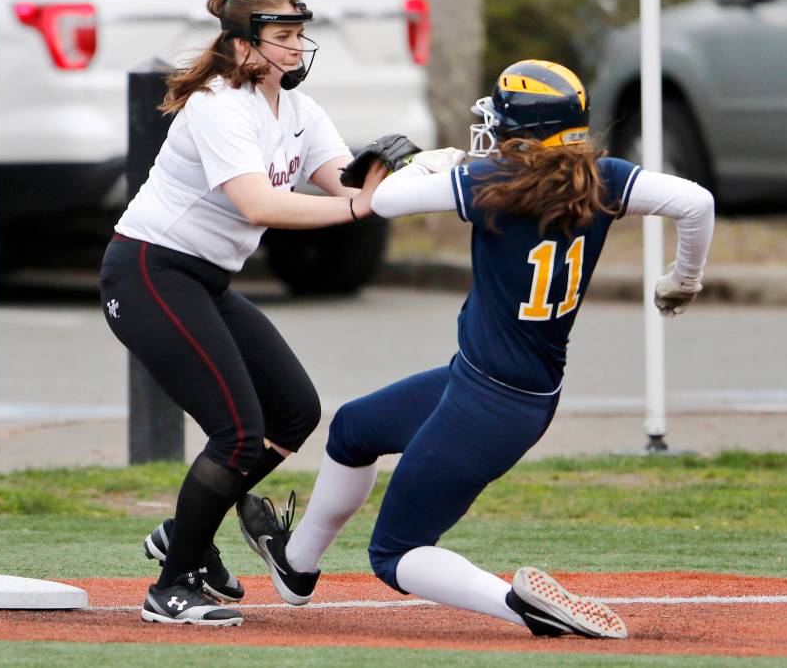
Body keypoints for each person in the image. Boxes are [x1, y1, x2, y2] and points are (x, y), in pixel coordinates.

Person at [237, 59, 715, 639]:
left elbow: (384, 204)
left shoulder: (492, 183)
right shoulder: (606, 178)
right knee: (354, 429)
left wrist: (418, 167)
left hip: (490, 402)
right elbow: (696, 203)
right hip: (501, 388)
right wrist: (682, 279)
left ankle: (524, 608)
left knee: (394, 553)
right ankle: (296, 567)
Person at [99, 0, 387, 626]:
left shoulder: (299, 111)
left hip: (204, 279)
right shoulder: (217, 103)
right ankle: (170, 588)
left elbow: (346, 177)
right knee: (236, 431)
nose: (295, 48)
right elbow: (260, 204)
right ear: (242, 43)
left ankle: (185, 533)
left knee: (294, 412)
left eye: (297, 36)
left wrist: (417, 175)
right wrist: (357, 204)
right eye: (282, 37)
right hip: (149, 270)